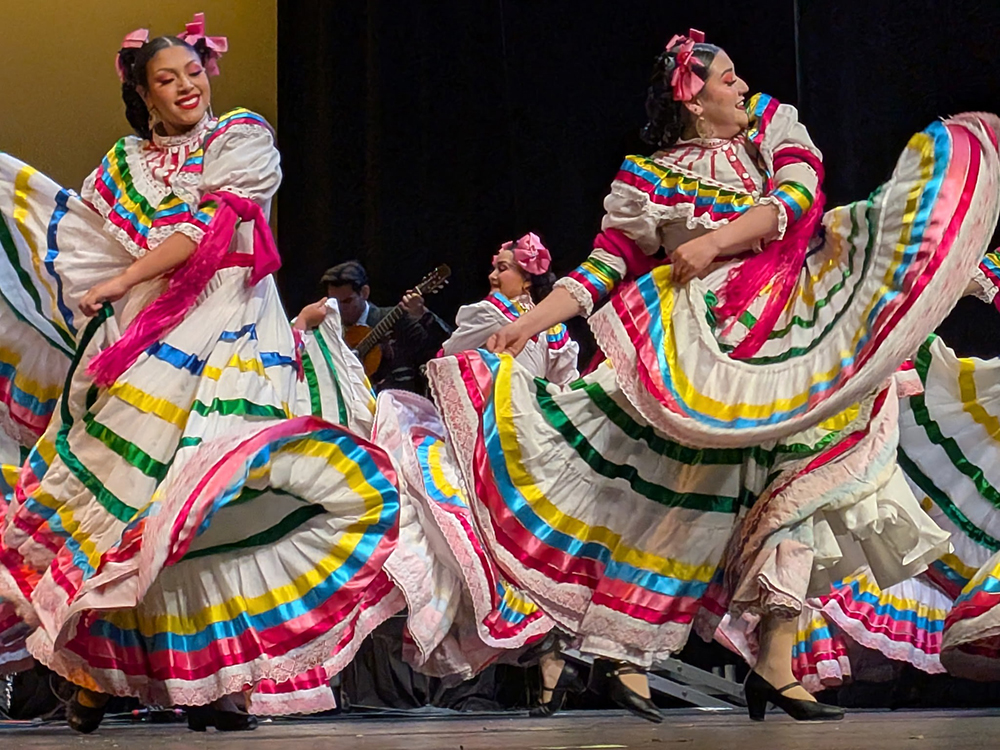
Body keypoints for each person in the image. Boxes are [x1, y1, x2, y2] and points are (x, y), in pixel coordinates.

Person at [424, 29, 1000, 722]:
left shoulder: (772, 134)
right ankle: (621, 652)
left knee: (801, 488)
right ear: (695, 101)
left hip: (789, 327)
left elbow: (797, 197)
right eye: (727, 78)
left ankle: (775, 668)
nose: (741, 87)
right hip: (700, 347)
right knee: (672, 496)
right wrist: (532, 322)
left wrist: (715, 242)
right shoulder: (647, 178)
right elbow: (604, 267)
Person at [0, 14, 404, 732]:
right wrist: (94, 286)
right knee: (134, 507)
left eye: (192, 72)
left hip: (234, 332)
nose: (186, 86)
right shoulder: (119, 168)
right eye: (166, 79)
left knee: (216, 500)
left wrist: (123, 280)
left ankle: (212, 685)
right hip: (148, 345)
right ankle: (94, 671)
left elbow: (203, 238)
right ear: (143, 95)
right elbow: (79, 246)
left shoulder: (239, 138)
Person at [371, 233, 580, 701]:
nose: (492, 275)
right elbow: (448, 365)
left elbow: (566, 388)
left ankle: (549, 660)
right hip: (486, 448)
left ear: (527, 278)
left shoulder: (557, 333)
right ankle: (529, 663)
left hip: (533, 453)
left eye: (503, 268)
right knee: (476, 548)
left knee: (537, 559)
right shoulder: (482, 316)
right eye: (494, 267)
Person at [322, 260, 451, 393]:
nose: (339, 308)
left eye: (347, 301)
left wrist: (423, 315)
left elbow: (444, 345)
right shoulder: (329, 330)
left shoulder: (397, 320)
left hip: (397, 404)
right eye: (334, 303)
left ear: (364, 293)